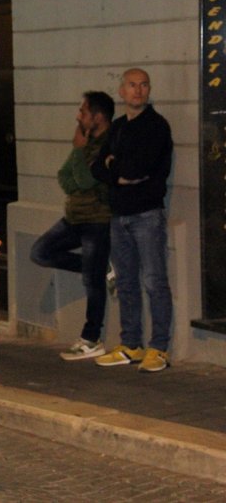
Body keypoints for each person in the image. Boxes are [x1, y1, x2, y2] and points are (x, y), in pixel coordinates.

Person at [91, 68, 174, 372]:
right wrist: (117, 171)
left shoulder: (156, 127)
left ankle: (160, 347)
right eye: (132, 85)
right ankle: (132, 344)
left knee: (154, 281)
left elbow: (139, 169)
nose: (138, 91)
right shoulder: (117, 128)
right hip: (119, 216)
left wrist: (119, 168)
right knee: (126, 282)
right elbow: (98, 168)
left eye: (143, 85)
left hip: (147, 216)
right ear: (122, 92)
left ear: (148, 90)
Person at [30, 91, 114, 361]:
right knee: (40, 252)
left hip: (97, 220)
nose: (78, 116)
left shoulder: (108, 143)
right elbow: (65, 177)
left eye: (83, 111)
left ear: (98, 117)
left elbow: (86, 180)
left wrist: (79, 152)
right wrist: (79, 162)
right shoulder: (84, 140)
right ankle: (101, 268)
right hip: (74, 217)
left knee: (92, 282)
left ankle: (91, 338)